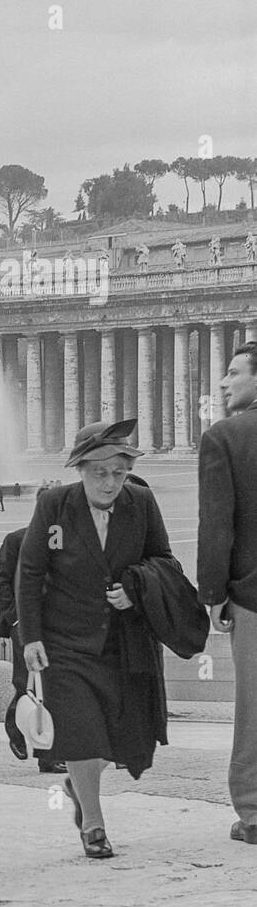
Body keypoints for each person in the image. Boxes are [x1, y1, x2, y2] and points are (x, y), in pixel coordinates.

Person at [17, 418, 175, 862]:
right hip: (64, 642)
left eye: (118, 473)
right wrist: (31, 638)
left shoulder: (141, 503)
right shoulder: (54, 505)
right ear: (81, 471)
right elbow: (29, 572)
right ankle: (93, 823)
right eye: (99, 473)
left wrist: (136, 588)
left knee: (113, 735)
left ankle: (80, 786)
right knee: (84, 734)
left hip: (121, 644)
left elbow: (163, 559)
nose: (109, 483)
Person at [199, 341, 257, 845]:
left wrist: (213, 593)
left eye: (235, 373)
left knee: (253, 706)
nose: (224, 382)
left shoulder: (226, 436)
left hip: (252, 594)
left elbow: (217, 523)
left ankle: (254, 812)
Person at [0, 520, 66, 774]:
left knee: (54, 688)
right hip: (25, 627)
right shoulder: (16, 539)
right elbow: (0, 580)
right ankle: (19, 732)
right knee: (26, 683)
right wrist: (15, 619)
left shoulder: (70, 540)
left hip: (61, 627)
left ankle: (49, 752)